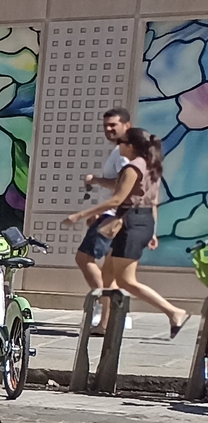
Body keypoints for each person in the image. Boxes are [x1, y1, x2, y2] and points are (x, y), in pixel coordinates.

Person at [67, 124, 190, 338]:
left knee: (126, 281)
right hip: (138, 221)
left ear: (130, 146)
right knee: (108, 274)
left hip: (131, 222)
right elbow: (153, 202)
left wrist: (80, 215)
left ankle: (174, 312)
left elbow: (117, 199)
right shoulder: (151, 166)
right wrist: (152, 230)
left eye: (121, 143)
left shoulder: (133, 168)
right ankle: (106, 323)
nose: (118, 147)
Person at [74, 108, 135, 291]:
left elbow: (123, 185)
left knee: (84, 258)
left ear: (127, 125)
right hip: (116, 214)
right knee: (110, 271)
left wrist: (95, 180)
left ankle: (102, 302)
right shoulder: (124, 150)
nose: (108, 129)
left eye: (113, 125)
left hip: (114, 215)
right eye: (105, 126)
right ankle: (114, 314)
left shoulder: (122, 152)